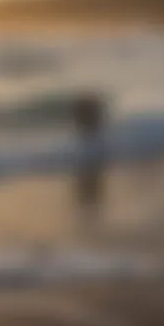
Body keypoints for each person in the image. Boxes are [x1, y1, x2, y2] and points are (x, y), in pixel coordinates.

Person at [71, 93, 106, 232]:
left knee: (88, 185)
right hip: (91, 158)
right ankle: (89, 211)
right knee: (90, 186)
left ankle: (89, 212)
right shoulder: (95, 139)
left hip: (89, 160)